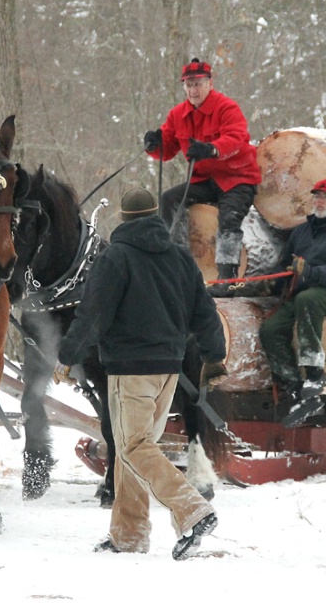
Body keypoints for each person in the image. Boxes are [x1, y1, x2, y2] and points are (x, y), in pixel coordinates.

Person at [53, 188, 228, 560]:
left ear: (124, 217)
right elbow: (205, 311)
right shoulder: (180, 258)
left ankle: (192, 510)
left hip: (130, 371)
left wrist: (68, 356)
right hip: (170, 370)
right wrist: (214, 357)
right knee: (133, 449)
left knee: (132, 447)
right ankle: (128, 535)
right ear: (154, 217)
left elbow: (93, 314)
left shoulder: (115, 258)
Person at [144, 58, 262, 297]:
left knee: (229, 219)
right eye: (188, 85)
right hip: (203, 180)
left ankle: (226, 276)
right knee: (169, 199)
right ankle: (178, 261)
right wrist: (152, 145)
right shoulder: (178, 114)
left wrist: (212, 149)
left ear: (210, 83)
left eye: (197, 84)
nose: (193, 90)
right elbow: (166, 149)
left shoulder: (227, 108)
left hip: (237, 177)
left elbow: (236, 138)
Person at [259, 178, 326, 428]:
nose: (319, 201)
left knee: (309, 299)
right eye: (316, 196)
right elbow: (285, 263)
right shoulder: (302, 231)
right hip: (303, 294)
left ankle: (315, 375)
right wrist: (271, 282)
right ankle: (295, 391)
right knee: (270, 330)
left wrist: (311, 272)